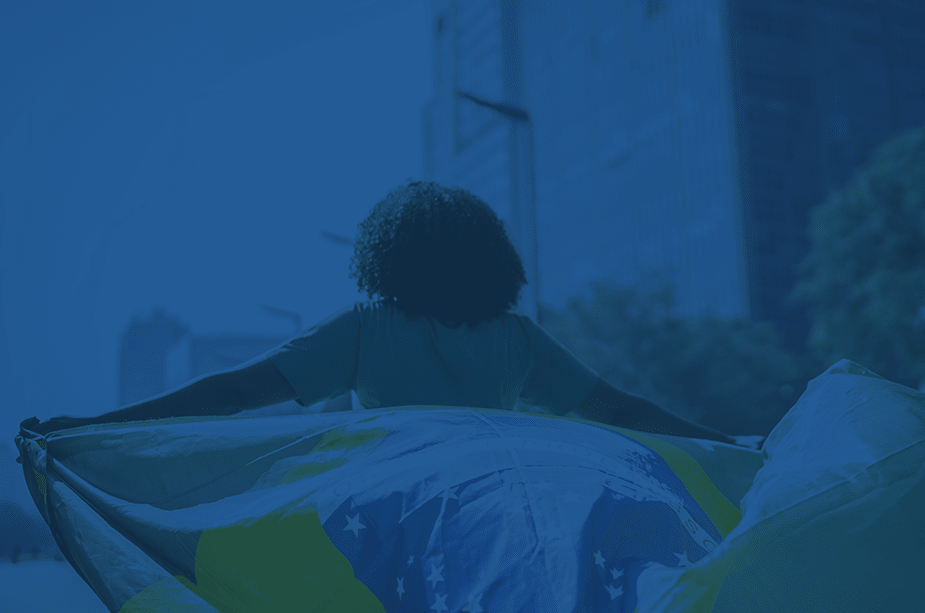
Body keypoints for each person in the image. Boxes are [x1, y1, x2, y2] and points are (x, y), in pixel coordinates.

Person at [26, 181, 737, 446]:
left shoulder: (364, 329)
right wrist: (728, 445)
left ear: (384, 255)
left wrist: (95, 427)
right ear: (492, 258)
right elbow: (626, 412)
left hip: (384, 509)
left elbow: (236, 392)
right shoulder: (519, 340)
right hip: (495, 507)